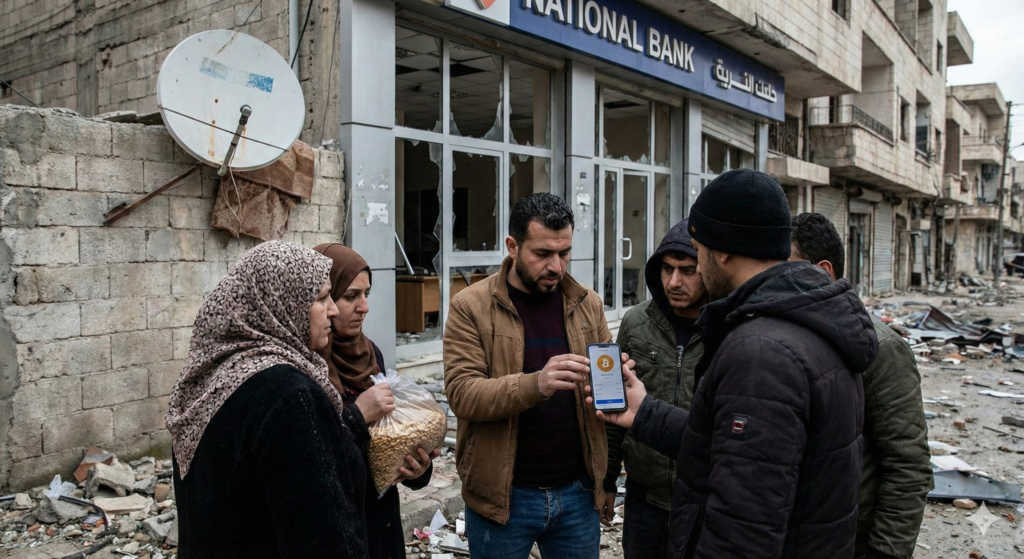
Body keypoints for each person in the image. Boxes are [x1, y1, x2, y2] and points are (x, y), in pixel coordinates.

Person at [594, 169, 879, 559]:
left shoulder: (761, 351)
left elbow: (742, 528)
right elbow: (732, 449)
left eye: (698, 252)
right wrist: (645, 412)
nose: (689, 272)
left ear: (721, 251)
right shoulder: (813, 320)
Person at [444, 192, 619, 559]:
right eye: (543, 254)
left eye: (564, 253)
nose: (556, 266)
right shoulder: (471, 306)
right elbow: (462, 393)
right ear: (513, 246)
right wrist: (535, 384)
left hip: (577, 495)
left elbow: (605, 393)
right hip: (503, 498)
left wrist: (617, 381)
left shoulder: (587, 304)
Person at [168, 240, 369, 558]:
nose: (332, 310)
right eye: (321, 298)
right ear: (281, 305)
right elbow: (324, 539)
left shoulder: (211, 380)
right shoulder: (293, 397)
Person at [789, 213, 932, 559]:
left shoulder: (880, 347)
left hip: (853, 540)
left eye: (783, 270)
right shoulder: (785, 339)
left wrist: (886, 552)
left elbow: (908, 464)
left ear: (823, 272)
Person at [313, 243, 439, 559]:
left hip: (381, 520)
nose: (364, 307)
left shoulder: (371, 354)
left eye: (366, 294)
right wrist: (358, 414)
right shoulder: (306, 364)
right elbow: (313, 457)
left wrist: (417, 469)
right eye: (351, 296)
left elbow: (386, 440)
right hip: (335, 528)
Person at [603, 218, 707, 558]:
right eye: (667, 269)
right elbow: (615, 411)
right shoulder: (637, 323)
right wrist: (607, 481)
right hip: (644, 498)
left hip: (703, 500)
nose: (674, 282)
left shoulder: (727, 329)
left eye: (688, 271)